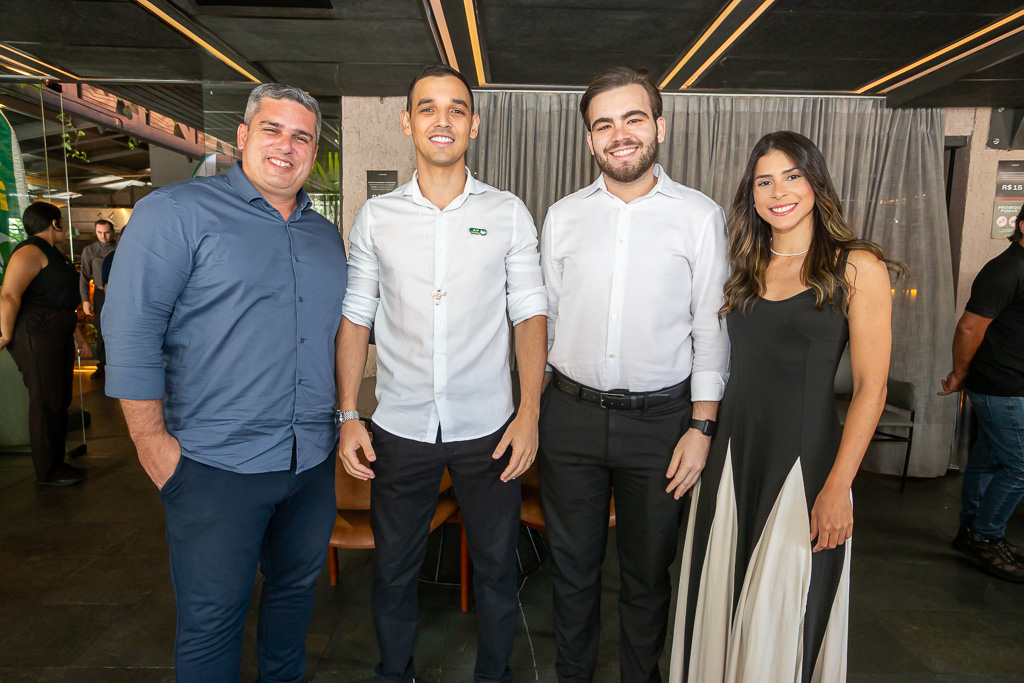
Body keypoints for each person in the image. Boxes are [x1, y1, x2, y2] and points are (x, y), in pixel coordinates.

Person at [102, 83, 347, 683]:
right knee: (212, 622)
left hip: (309, 462)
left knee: (294, 601)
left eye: (302, 137)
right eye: (272, 129)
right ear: (242, 136)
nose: (286, 146)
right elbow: (131, 333)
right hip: (214, 467)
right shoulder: (176, 213)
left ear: (314, 152)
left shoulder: (325, 237)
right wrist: (153, 447)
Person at [336, 64, 547, 683]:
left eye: (457, 108)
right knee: (393, 571)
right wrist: (348, 415)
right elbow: (356, 317)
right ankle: (393, 673)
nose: (442, 120)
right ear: (407, 122)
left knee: (497, 570)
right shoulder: (377, 217)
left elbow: (530, 314)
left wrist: (529, 414)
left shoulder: (507, 212)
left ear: (473, 125)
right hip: (400, 428)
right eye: (427, 108)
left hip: (489, 429)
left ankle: (493, 675)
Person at [669, 131, 902, 682]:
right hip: (732, 454)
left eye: (792, 177)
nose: (779, 192)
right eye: (764, 181)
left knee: (782, 612)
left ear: (815, 183)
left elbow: (871, 388)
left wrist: (839, 487)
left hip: (805, 459)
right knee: (719, 597)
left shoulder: (856, 266)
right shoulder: (745, 264)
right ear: (751, 195)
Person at [539, 66, 730, 683]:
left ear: (660, 127)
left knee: (648, 578)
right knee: (571, 575)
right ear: (589, 139)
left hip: (663, 427)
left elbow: (711, 329)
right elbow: (547, 323)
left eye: (633, 119)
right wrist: (530, 413)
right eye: (604, 124)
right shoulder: (562, 216)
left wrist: (702, 426)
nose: (619, 134)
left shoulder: (699, 216)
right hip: (570, 418)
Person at [941, 204, 1024, 582]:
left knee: (989, 459)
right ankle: (986, 537)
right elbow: (968, 329)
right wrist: (960, 373)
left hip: (1008, 383)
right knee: (1019, 466)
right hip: (1001, 384)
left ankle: (970, 530)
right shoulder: (1007, 269)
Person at [0, 201, 89, 486]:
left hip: (55, 330)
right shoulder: (30, 251)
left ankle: (56, 464)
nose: (64, 227)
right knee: (46, 402)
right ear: (54, 223)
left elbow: (60, 299)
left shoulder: (52, 253)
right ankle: (48, 472)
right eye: (61, 221)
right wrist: (4, 335)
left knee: (58, 400)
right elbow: (9, 295)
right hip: (37, 333)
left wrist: (76, 334)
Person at [79, 218, 115, 379]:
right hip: (100, 293)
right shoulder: (90, 250)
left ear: (112, 232)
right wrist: (85, 300)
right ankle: (102, 364)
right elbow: (84, 276)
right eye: (99, 232)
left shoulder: (120, 247)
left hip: (119, 292)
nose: (103, 236)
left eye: (106, 232)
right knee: (101, 329)